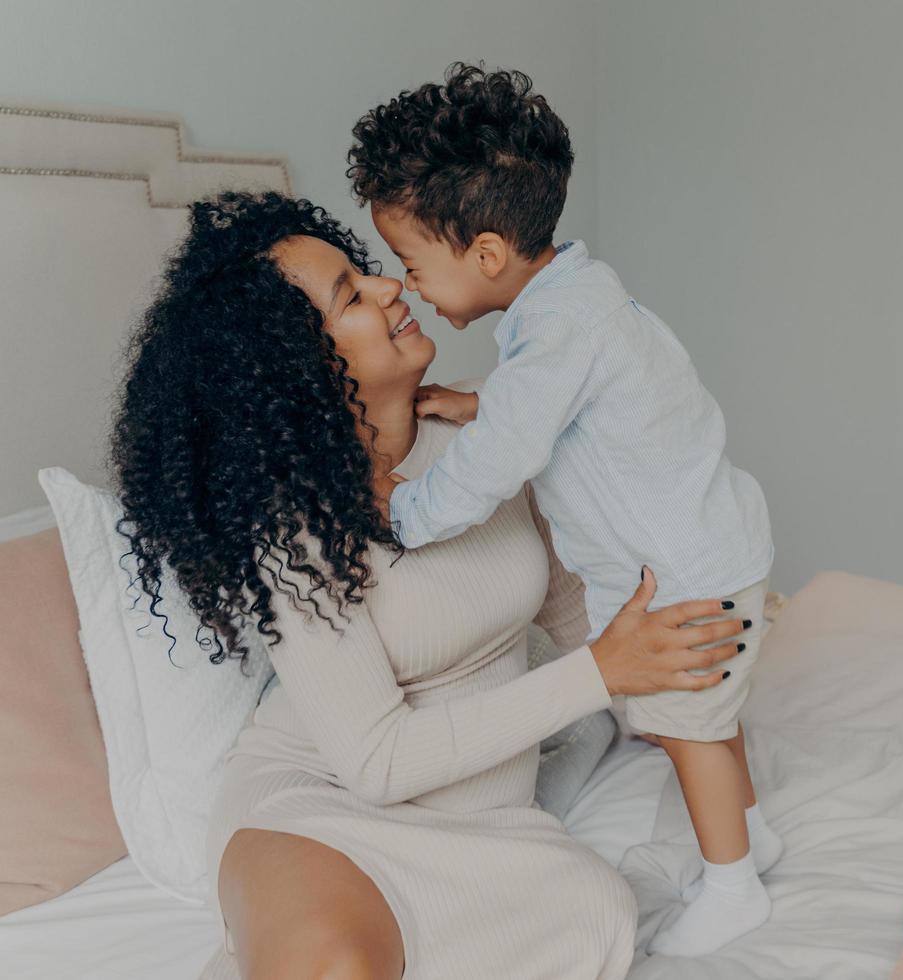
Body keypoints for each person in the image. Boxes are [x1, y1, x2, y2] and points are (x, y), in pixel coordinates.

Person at [110, 191, 747, 979]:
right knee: (334, 964)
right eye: (350, 295)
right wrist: (602, 674)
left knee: (600, 912)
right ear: (298, 368)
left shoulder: (490, 438)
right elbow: (376, 761)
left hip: (492, 828)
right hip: (327, 807)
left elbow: (571, 607)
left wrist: (672, 685)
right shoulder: (297, 529)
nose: (390, 290)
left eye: (369, 273)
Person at [350, 64, 781, 955]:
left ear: (485, 256)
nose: (409, 287)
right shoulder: (576, 300)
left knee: (684, 728)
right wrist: (479, 400)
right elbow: (583, 402)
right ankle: (752, 830)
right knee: (707, 720)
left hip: (685, 578)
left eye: (411, 264)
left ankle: (735, 885)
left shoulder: (555, 333)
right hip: (714, 550)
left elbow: (496, 465)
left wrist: (406, 512)